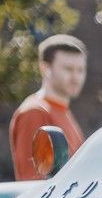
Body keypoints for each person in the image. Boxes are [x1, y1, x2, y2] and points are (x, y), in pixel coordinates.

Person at [9, 34, 89, 179]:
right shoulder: (34, 112)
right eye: (68, 69)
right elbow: (33, 182)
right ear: (46, 68)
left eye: (80, 70)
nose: (75, 77)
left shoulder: (64, 112)